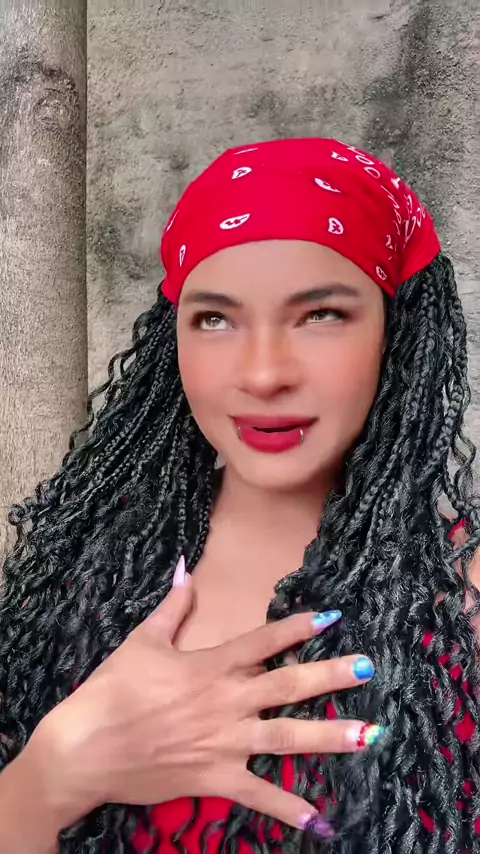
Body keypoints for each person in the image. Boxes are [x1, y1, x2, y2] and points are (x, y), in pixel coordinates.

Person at [0, 137, 478, 854]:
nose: (261, 374)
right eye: (215, 319)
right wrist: (52, 776)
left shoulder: (463, 601)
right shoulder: (83, 571)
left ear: (396, 333)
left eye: (321, 314)